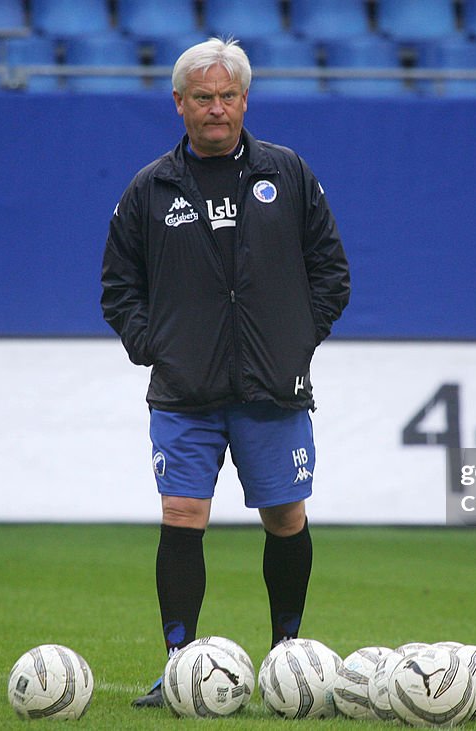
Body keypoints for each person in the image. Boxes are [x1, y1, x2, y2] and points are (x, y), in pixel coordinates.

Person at [100, 37, 350, 707]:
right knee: (182, 512)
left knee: (285, 515)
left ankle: (287, 663)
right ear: (179, 104)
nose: (217, 109)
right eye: (203, 97)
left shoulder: (288, 172)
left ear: (246, 100)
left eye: (228, 96)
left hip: (271, 385)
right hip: (185, 388)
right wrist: (155, 344)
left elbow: (331, 270)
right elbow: (119, 286)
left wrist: (296, 339)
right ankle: (178, 665)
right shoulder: (149, 188)